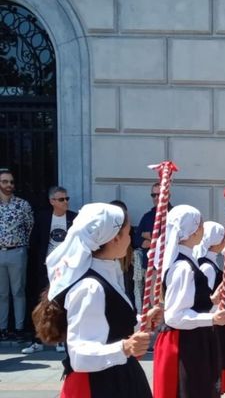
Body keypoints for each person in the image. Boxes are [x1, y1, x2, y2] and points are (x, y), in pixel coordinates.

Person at [32, 202, 157, 397]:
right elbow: (79, 357)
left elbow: (108, 321)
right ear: (114, 238)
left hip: (117, 375)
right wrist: (124, 347)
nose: (130, 238)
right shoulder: (90, 287)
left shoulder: (106, 271)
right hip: (100, 385)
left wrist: (141, 321)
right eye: (127, 232)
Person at [153, 204, 225, 398]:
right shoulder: (183, 267)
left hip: (192, 340)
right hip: (186, 344)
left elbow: (191, 302)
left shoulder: (187, 261)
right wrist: (212, 319)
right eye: (201, 224)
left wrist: (211, 300)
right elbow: (174, 317)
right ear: (193, 231)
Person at [22, 186, 77, 354]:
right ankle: (38, 339)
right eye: (61, 199)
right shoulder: (43, 218)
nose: (65, 202)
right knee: (42, 303)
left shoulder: (74, 218)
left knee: (63, 303)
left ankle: (61, 339)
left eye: (67, 199)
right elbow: (35, 242)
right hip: (46, 269)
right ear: (52, 201)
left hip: (67, 269)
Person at [194, 221, 225, 393]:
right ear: (215, 241)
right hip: (215, 324)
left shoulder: (213, 263)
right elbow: (207, 302)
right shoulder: (207, 267)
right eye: (223, 237)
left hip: (220, 321)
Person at [0, 168, 34, 342]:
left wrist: (21, 245)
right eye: (5, 181)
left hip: (17, 251)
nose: (9, 185)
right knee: (2, 293)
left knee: (18, 291)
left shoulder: (22, 205)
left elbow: (29, 226)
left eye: (11, 182)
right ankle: (3, 328)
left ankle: (20, 328)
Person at [132, 182, 172, 312]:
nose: (156, 198)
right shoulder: (147, 216)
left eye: (159, 194)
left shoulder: (174, 215)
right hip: (151, 267)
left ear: (167, 196)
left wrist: (149, 237)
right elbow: (136, 239)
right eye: (153, 195)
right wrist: (153, 241)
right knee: (153, 304)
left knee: (168, 304)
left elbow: (171, 239)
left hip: (169, 266)